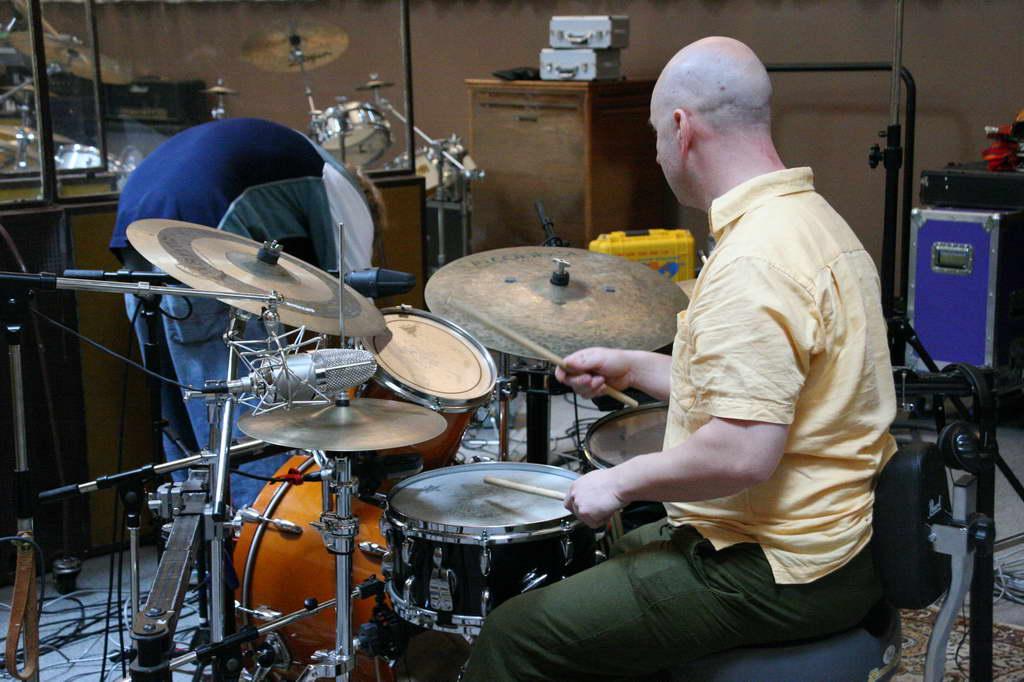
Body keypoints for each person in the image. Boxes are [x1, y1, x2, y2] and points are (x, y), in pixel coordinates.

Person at [461, 37, 897, 681]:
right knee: (609, 551)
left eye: (655, 135)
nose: (659, 151)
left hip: (774, 567)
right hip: (831, 543)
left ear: (681, 127)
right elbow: (770, 394)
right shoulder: (812, 221)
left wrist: (619, 482)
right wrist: (635, 366)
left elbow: (742, 452)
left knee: (514, 635)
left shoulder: (754, 262)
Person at [110, 117, 378, 507]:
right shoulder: (342, 190)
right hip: (203, 253)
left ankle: (197, 537)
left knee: (186, 434)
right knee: (251, 433)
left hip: (137, 250)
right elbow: (357, 302)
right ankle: (256, 534)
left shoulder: (285, 155)